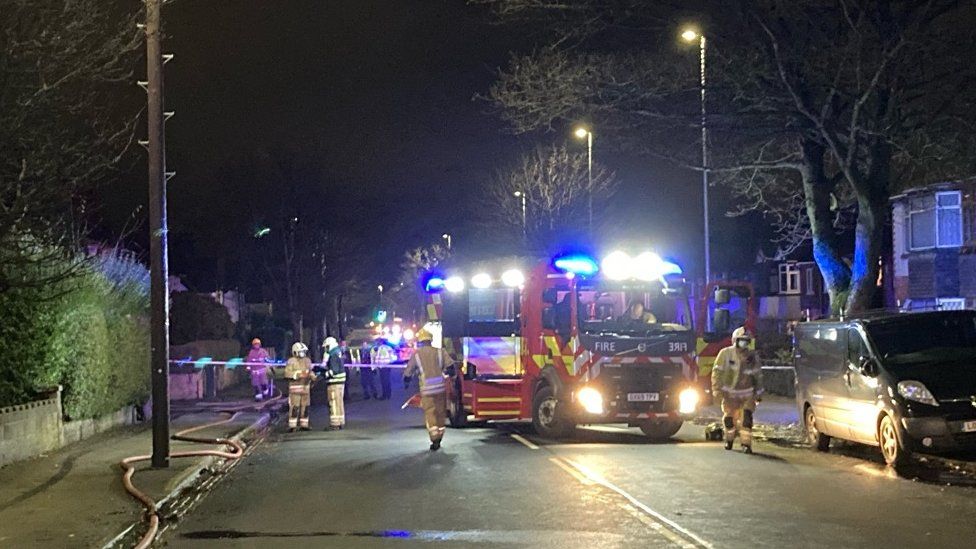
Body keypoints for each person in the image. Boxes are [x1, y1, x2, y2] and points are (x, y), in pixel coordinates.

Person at [711, 326, 764, 453]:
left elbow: (758, 375)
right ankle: (729, 439)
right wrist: (717, 390)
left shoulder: (752, 356)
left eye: (746, 340)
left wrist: (759, 393)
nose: (744, 343)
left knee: (747, 418)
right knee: (729, 419)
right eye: (741, 340)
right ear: (735, 340)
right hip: (729, 394)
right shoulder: (725, 354)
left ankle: (746, 444)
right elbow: (717, 373)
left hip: (747, 393)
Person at [402, 329, 455, 451]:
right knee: (441, 412)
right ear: (431, 340)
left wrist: (406, 382)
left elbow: (408, 371)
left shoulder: (417, 355)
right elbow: (451, 367)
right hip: (440, 388)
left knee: (430, 413)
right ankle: (440, 437)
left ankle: (434, 438)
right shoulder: (440, 352)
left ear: (420, 342)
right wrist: (451, 377)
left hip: (427, 390)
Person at [316, 337, 347, 430]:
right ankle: (340, 421)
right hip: (340, 382)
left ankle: (334, 424)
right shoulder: (338, 352)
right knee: (339, 403)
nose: (325, 349)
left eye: (326, 347)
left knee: (333, 403)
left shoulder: (333, 354)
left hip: (334, 383)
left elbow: (334, 370)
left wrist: (322, 374)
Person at [284, 342, 314, 432]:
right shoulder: (291, 361)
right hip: (295, 389)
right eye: (301, 351)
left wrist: (312, 376)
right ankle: (292, 425)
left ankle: (304, 424)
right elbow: (287, 373)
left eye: (303, 351)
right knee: (295, 407)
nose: (302, 353)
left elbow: (310, 371)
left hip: (306, 389)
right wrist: (298, 374)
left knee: (305, 407)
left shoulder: (307, 361)